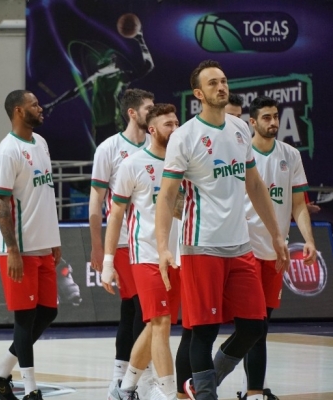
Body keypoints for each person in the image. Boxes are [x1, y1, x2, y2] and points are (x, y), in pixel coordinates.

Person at [155, 60, 288, 400]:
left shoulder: (240, 128)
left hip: (241, 245)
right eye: (213, 83)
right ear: (199, 93)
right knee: (203, 331)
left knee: (254, 326)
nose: (221, 86)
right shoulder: (185, 136)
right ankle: (205, 394)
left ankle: (204, 382)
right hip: (201, 245)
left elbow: (254, 185)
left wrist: (276, 234)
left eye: (224, 81)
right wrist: (163, 247)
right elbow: (167, 195)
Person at [231, 96, 316, 400]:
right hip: (246, 250)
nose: (273, 122)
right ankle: (253, 391)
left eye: (276, 116)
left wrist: (308, 240)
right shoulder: (240, 155)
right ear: (252, 122)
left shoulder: (290, 155)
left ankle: (251, 388)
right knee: (253, 324)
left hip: (275, 253)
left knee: (261, 324)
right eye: (266, 117)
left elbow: (298, 204)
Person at [0, 90, 61, 400]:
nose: (41, 108)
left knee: (48, 312)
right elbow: (0, 201)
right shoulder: (6, 151)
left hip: (43, 245)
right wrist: (12, 249)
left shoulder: (41, 143)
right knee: (24, 318)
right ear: (18, 111)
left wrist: (54, 239)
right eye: (34, 105)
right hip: (19, 249)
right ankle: (30, 390)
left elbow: (45, 195)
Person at [102, 104, 182, 400]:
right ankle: (168, 393)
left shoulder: (183, 163)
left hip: (177, 256)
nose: (175, 129)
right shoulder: (133, 164)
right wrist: (108, 261)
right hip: (145, 255)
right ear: (152, 129)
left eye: (177, 123)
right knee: (160, 323)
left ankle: (125, 389)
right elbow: (115, 214)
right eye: (168, 125)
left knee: (155, 325)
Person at [89, 88, 154, 393]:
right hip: (126, 243)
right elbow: (96, 200)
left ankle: (120, 378)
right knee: (142, 308)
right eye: (148, 108)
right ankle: (137, 378)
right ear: (132, 112)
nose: (152, 112)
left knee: (132, 310)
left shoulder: (156, 145)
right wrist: (98, 246)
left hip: (151, 241)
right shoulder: (109, 148)